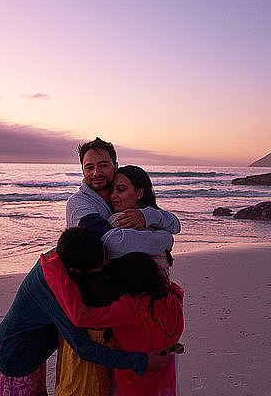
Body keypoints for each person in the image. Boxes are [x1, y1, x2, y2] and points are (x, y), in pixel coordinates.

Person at [56, 138, 180, 395]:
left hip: (129, 304)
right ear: (82, 170)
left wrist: (150, 216)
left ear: (115, 165)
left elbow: (173, 221)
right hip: (94, 300)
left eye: (103, 165)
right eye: (88, 167)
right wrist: (164, 240)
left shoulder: (119, 204)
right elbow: (112, 245)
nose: (96, 173)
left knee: (130, 376)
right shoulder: (81, 204)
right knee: (90, 381)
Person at [0, 227, 169, 396]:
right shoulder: (58, 294)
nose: (105, 263)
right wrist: (143, 362)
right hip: (15, 356)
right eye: (99, 266)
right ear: (78, 271)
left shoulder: (66, 254)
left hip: (30, 349)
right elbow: (84, 348)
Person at [42, 251, 184, 395]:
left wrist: (52, 269)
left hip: (134, 386)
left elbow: (81, 317)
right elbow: (174, 288)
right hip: (165, 384)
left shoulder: (130, 308)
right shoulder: (174, 297)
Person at [109, 165, 180, 272]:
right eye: (111, 190)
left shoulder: (122, 219)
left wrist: (146, 216)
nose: (113, 195)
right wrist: (167, 238)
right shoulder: (157, 221)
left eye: (121, 189)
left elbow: (176, 225)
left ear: (139, 193)